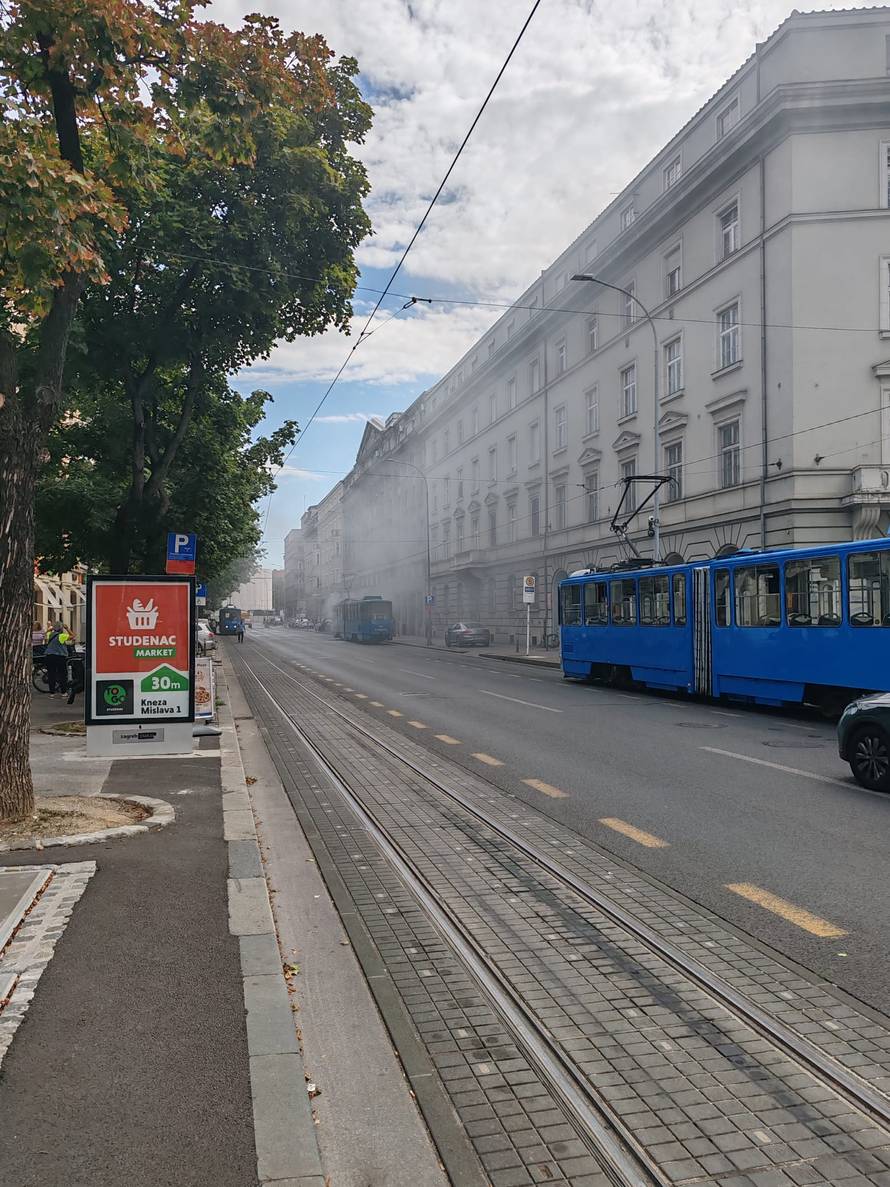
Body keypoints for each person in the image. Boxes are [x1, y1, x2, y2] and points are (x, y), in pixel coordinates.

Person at [44, 619, 71, 696]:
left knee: (51, 674)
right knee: (62, 674)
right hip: (60, 657)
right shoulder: (61, 636)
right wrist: (67, 628)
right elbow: (73, 636)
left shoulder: (50, 635)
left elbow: (45, 633)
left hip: (49, 656)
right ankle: (63, 692)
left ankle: (52, 693)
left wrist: (51, 628)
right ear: (61, 628)